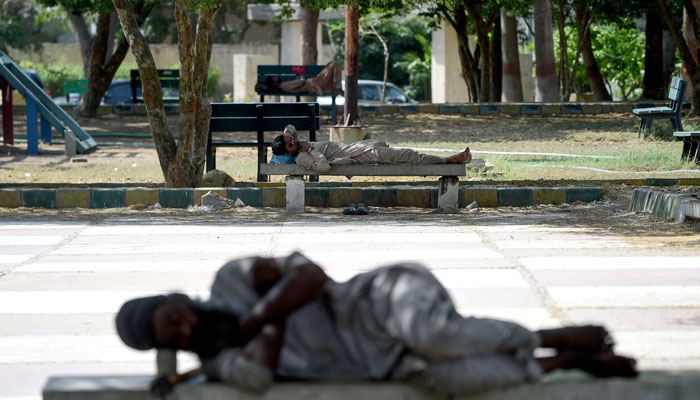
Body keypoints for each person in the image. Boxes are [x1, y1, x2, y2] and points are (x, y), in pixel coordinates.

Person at [116, 252, 638, 396]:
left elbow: (311, 274)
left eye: (173, 316)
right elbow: (254, 378)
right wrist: (266, 328)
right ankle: (565, 362)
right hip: (386, 364)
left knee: (435, 337)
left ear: (176, 298)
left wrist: (257, 314)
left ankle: (550, 336)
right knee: (449, 379)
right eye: (175, 338)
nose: (185, 327)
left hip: (384, 298)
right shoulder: (217, 359)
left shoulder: (231, 278)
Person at [270, 125, 472, 173]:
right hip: (360, 155)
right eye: (290, 144)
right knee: (408, 155)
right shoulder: (301, 158)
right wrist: (311, 149)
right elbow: (323, 167)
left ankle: (448, 159)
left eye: (291, 140)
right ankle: (449, 160)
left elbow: (291, 127)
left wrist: (288, 133)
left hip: (360, 147)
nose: (293, 142)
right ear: (287, 152)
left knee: (403, 154)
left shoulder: (297, 143)